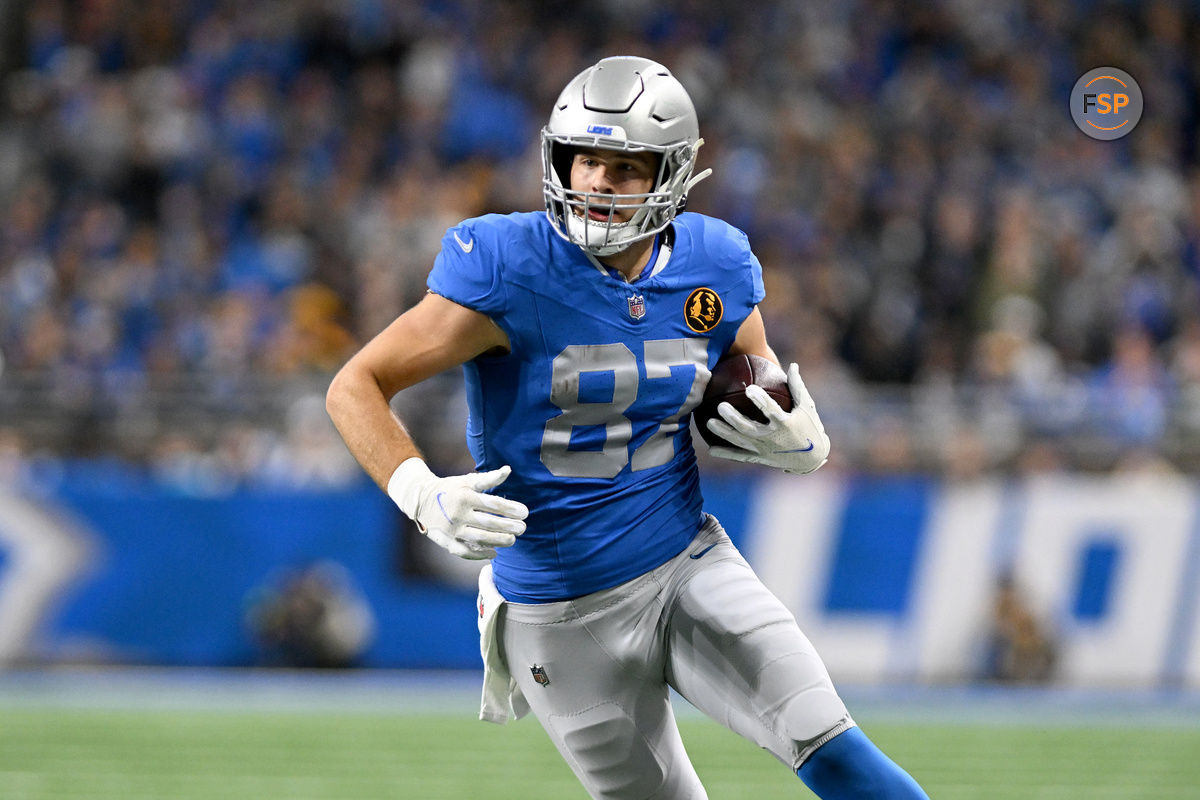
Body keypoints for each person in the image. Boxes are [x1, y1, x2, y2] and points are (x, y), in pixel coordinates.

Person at [327, 56, 929, 800]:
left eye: (624, 166)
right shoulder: (508, 267)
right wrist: (418, 491)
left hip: (685, 565)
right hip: (559, 609)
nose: (598, 182)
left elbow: (755, 378)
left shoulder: (716, 262)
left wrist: (803, 441)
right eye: (585, 160)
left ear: (670, 174)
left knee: (833, 746)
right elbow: (355, 384)